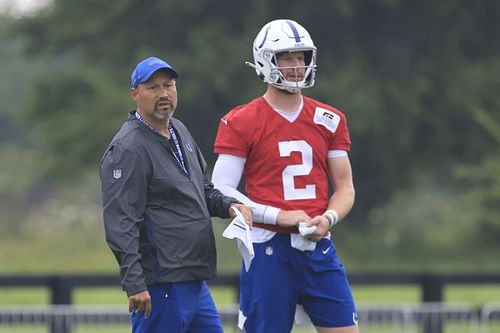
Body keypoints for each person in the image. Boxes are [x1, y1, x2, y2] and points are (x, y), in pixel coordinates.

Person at [212, 19, 360, 333]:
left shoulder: (329, 119)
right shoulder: (242, 120)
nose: (297, 65)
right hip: (269, 247)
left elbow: (345, 187)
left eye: (301, 57)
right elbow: (221, 188)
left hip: (317, 244)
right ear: (266, 60)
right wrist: (280, 216)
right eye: (287, 58)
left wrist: (328, 218)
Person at [99, 56, 253, 333]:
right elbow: (120, 222)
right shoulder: (128, 149)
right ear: (135, 94)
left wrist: (231, 206)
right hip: (161, 284)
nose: (163, 94)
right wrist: (135, 282)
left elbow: (200, 189)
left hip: (194, 278)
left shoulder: (179, 129)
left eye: (168, 85)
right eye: (153, 87)